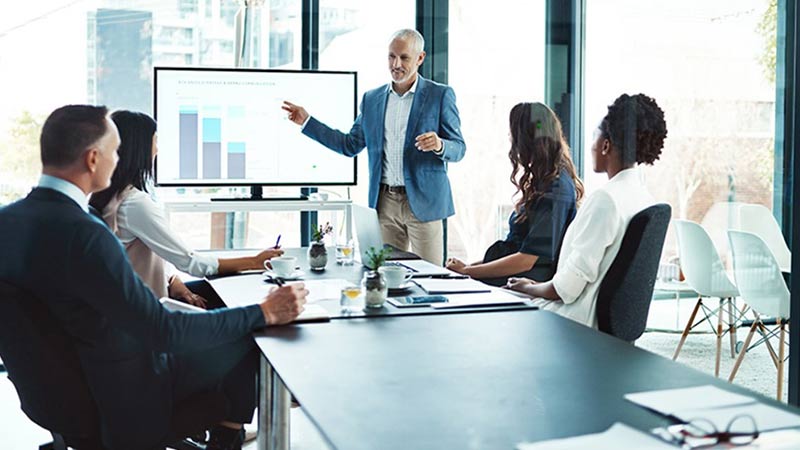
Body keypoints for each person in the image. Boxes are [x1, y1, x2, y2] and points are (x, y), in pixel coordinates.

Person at [0, 105, 308, 450]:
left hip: (55, 394)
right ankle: (226, 439)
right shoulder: (87, 234)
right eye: (114, 151)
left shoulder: (7, 221)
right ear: (92, 159)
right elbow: (162, 332)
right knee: (249, 338)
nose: (118, 160)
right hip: (124, 394)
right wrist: (263, 312)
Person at [281, 28, 466, 265]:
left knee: (430, 277)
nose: (396, 64)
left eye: (404, 57)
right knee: (385, 275)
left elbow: (459, 148)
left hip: (424, 203)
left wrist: (440, 145)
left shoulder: (440, 95)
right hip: (384, 203)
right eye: (391, 56)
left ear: (420, 58)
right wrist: (307, 121)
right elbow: (349, 145)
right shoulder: (372, 99)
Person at [89, 110, 283, 308]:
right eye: (155, 141)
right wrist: (255, 262)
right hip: (146, 314)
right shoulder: (134, 204)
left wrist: (173, 280)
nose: (157, 150)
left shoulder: (108, 197)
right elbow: (192, 263)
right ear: (140, 148)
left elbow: (146, 254)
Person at [506, 93, 668, 328]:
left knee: (491, 304)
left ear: (605, 145)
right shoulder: (643, 197)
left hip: (573, 322)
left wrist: (528, 287)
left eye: (595, 136)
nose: (591, 145)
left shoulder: (606, 200)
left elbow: (566, 290)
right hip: (599, 324)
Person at [444, 102, 583, 286]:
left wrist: (467, 271)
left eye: (514, 134)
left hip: (522, 282)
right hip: (512, 276)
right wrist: (467, 268)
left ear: (527, 139)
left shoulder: (555, 190)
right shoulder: (544, 180)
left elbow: (526, 260)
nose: (510, 139)